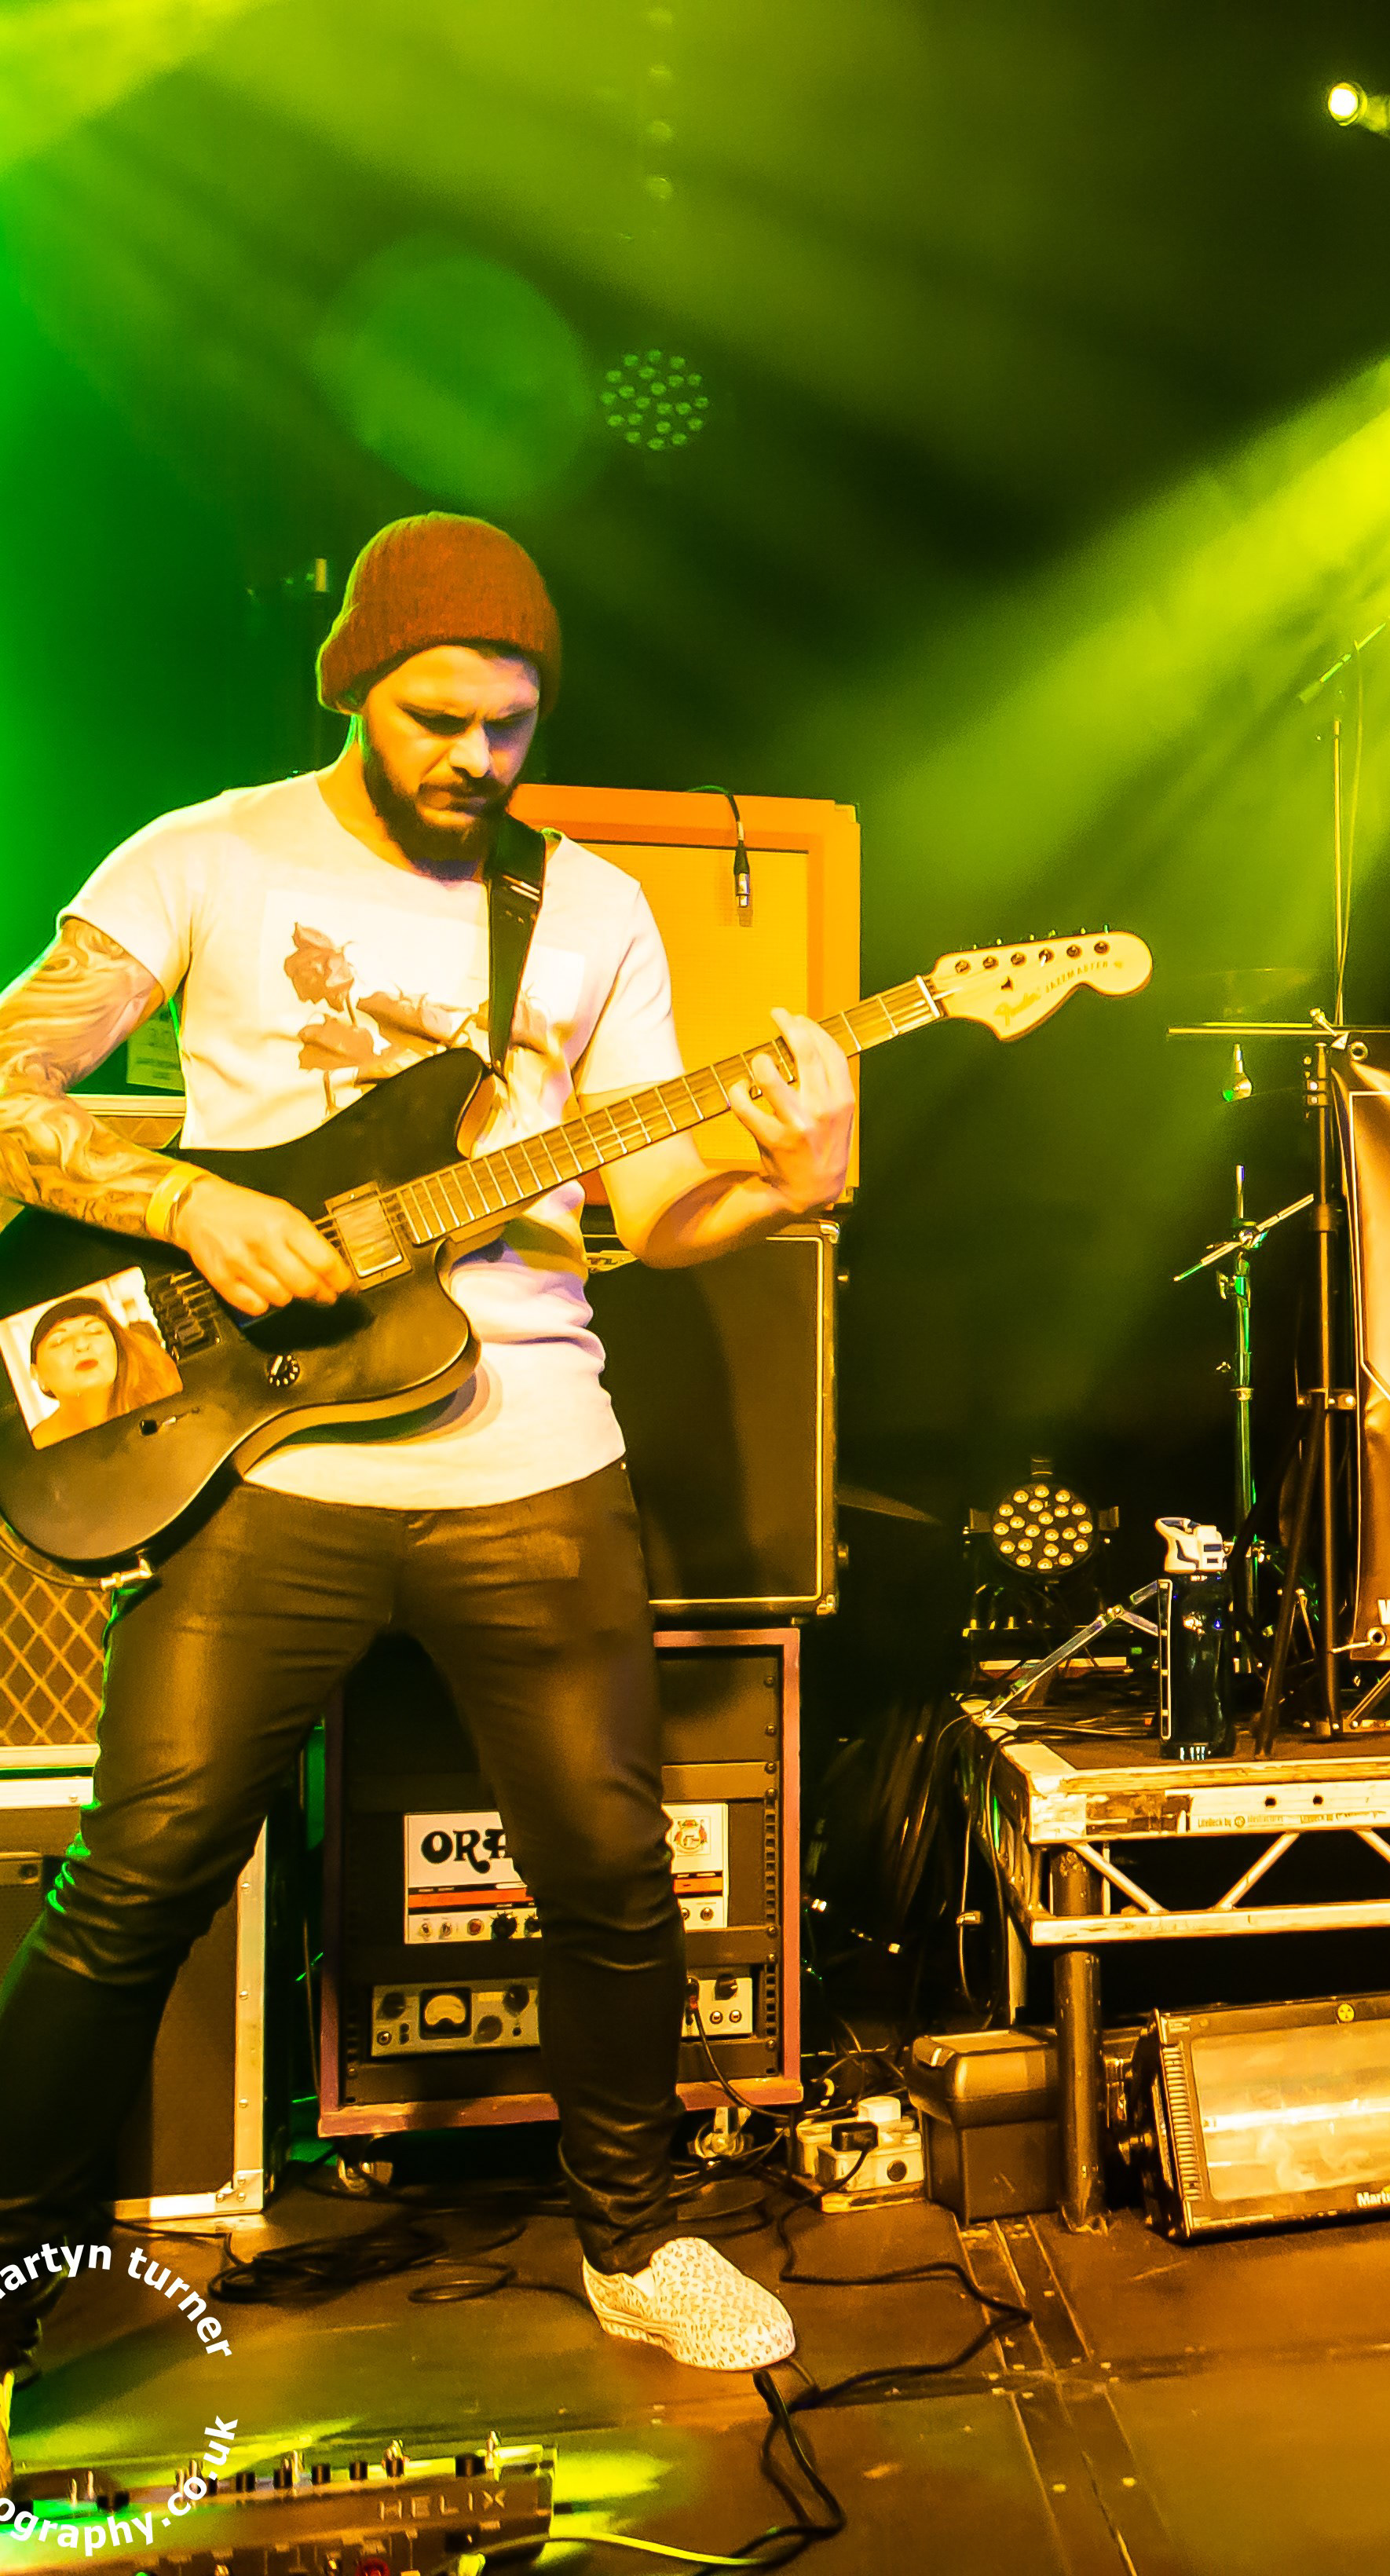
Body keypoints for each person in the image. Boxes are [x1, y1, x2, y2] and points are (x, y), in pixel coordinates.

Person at [0, 514, 855, 2476]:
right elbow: (7, 1086)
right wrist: (187, 1199)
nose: (477, 756)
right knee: (133, 1880)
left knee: (613, 1872)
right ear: (353, 687)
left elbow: (652, 1204)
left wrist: (787, 1175)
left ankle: (636, 2236)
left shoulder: (591, 906)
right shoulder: (204, 855)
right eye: (437, 716)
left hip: (533, 1447)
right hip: (264, 1455)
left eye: (511, 724)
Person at [17, 1292, 181, 1446]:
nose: (82, 1345)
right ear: (37, 1374)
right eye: (59, 1341)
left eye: (95, 1331)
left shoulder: (166, 1408)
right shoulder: (28, 1450)